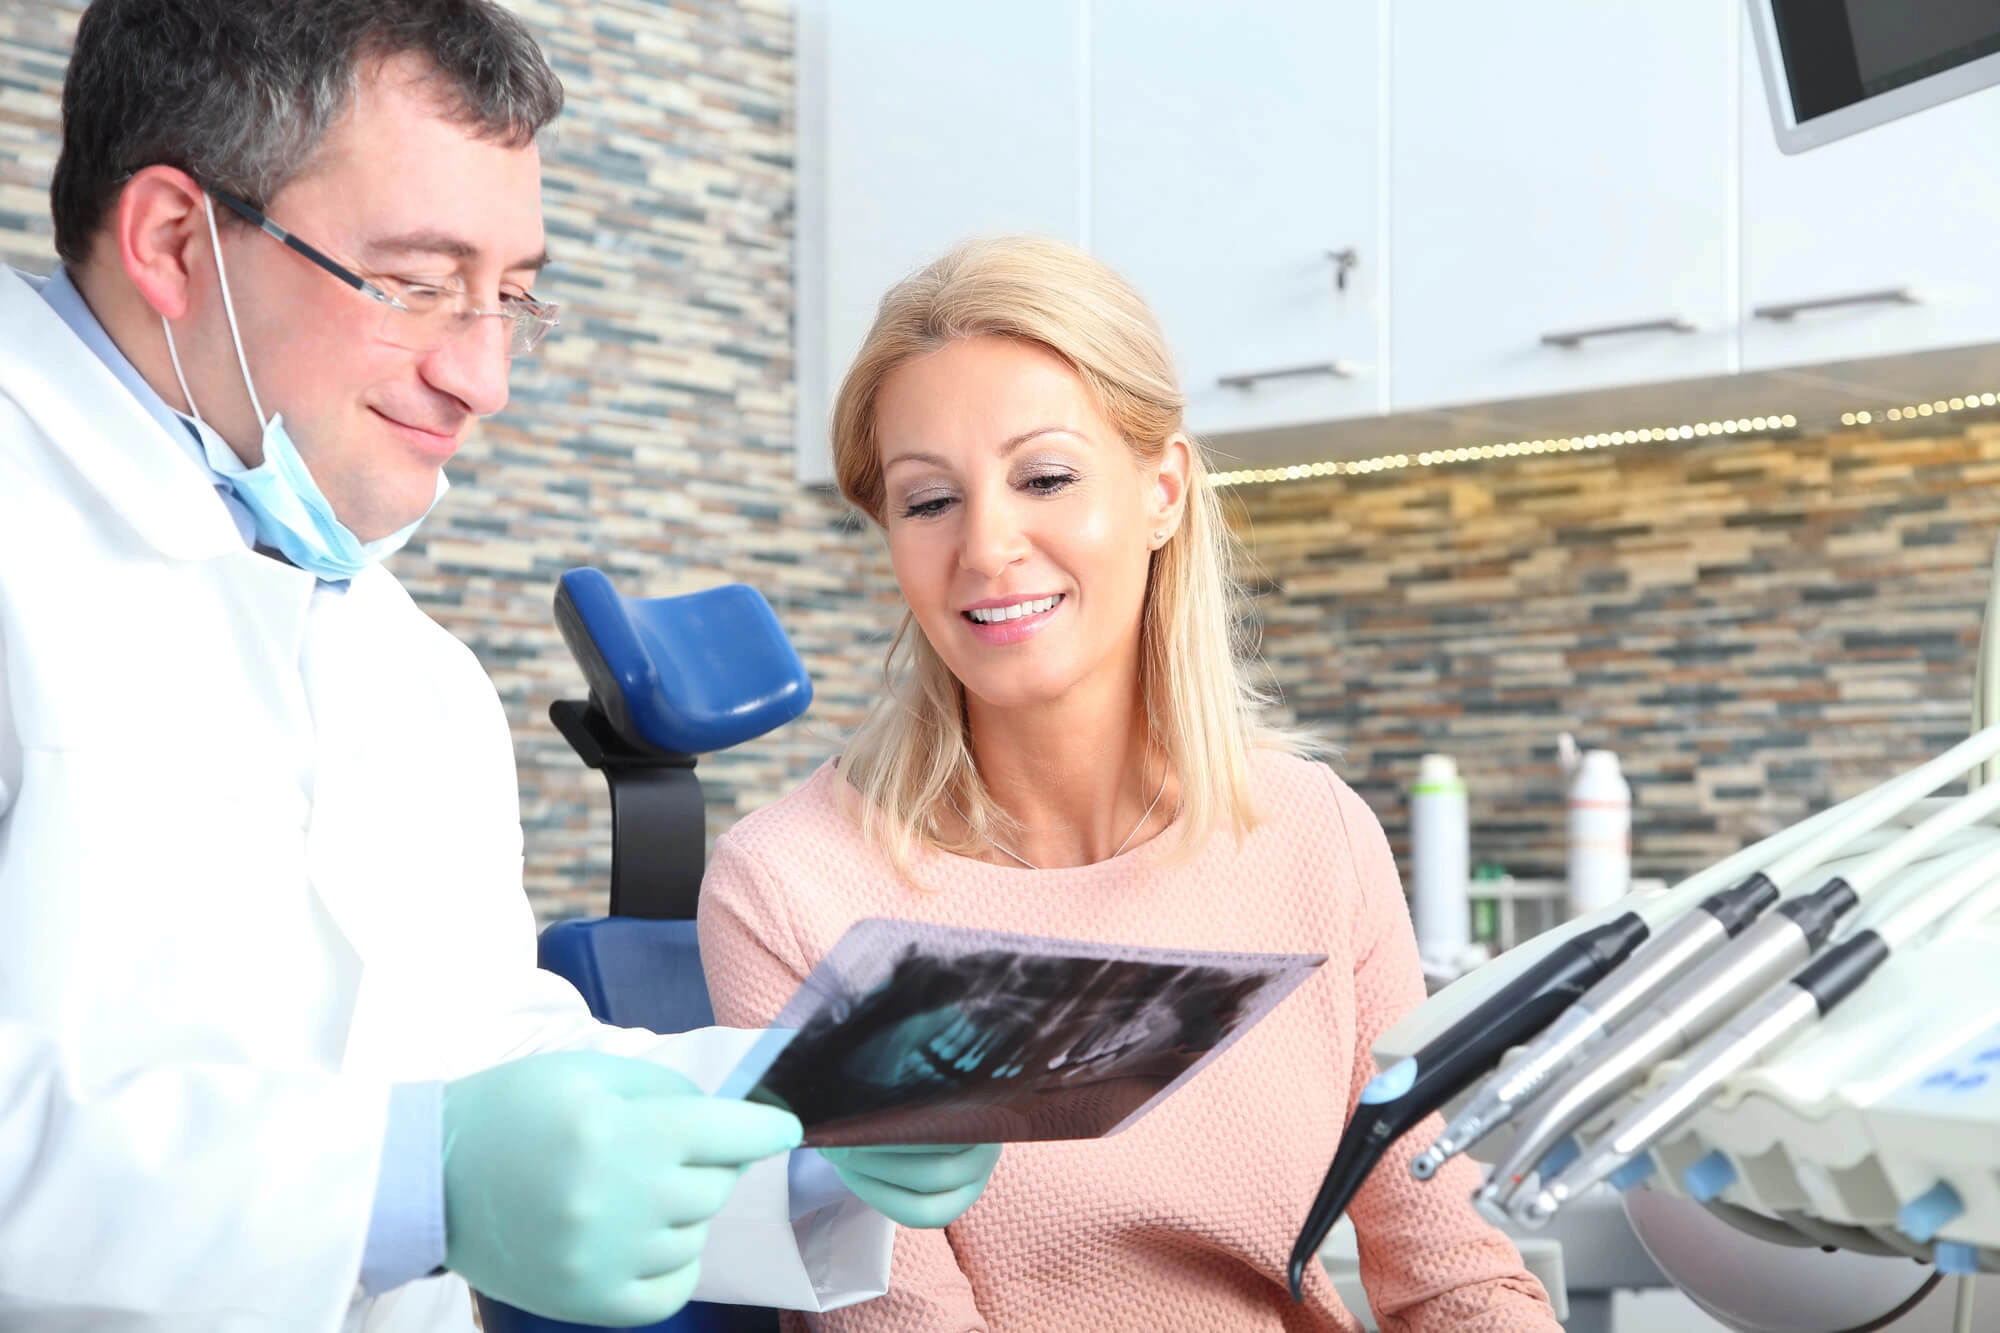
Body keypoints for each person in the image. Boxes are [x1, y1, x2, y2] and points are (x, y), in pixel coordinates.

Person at [0, 2, 997, 1329]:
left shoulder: (401, 665)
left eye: (512, 297)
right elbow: (440, 1152)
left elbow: (485, 1064)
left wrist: (798, 1112)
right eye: (416, 281)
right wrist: (402, 1185)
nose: (484, 378)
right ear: (175, 241)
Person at [697, 236, 1561, 1331]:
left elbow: (1450, 1270)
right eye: (928, 502)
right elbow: (897, 1319)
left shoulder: (1311, 835)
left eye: (1045, 478)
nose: (987, 545)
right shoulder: (791, 888)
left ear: (1161, 492)